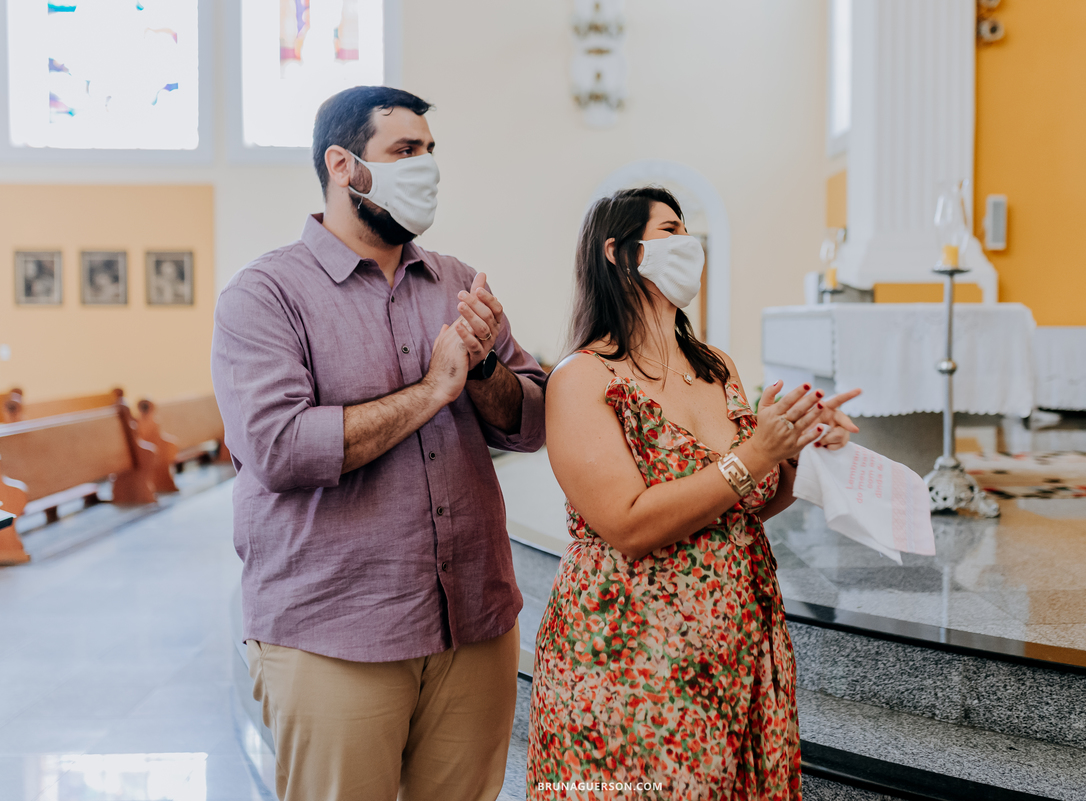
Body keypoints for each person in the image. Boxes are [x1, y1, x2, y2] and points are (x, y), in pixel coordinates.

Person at [211, 86, 547, 801]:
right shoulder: (264, 296)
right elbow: (278, 447)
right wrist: (430, 392)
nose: (425, 167)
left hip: (473, 625)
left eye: (430, 152)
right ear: (342, 165)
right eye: (404, 151)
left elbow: (530, 421)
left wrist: (483, 367)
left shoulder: (456, 281)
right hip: (334, 632)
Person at [527, 187, 860, 799]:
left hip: (733, 635)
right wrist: (752, 455)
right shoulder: (582, 379)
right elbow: (627, 524)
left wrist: (796, 447)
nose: (690, 246)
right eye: (671, 230)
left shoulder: (715, 366)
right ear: (618, 252)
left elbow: (750, 503)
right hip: (633, 650)